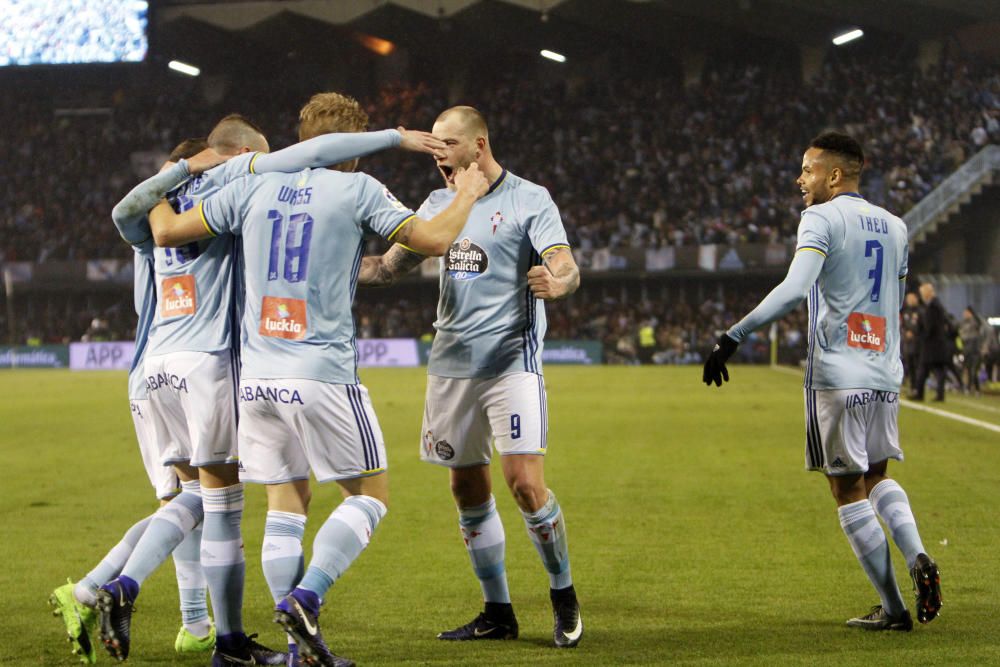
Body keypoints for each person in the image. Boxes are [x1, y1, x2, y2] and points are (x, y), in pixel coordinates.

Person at [147, 91, 490, 667]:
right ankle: (306, 598)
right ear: (352, 149)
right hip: (322, 373)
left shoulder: (250, 187)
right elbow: (432, 241)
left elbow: (170, 230)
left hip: (256, 379)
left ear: (302, 137)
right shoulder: (356, 189)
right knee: (370, 496)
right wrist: (467, 196)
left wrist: (162, 180)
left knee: (287, 504)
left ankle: (296, 652)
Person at [362, 106, 584, 648]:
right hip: (451, 366)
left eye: (449, 144)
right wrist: (324, 271)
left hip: (511, 362)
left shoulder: (530, 198)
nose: (439, 154)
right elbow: (389, 268)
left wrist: (558, 283)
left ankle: (564, 596)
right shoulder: (439, 204)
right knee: (466, 488)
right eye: (434, 145)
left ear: (479, 145)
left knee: (526, 484)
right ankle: (498, 612)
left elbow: (565, 263)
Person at [703, 132, 942, 631]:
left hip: (837, 374)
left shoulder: (821, 218)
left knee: (846, 490)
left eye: (808, 170)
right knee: (878, 475)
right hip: (883, 372)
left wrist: (733, 336)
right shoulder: (897, 227)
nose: (800, 179)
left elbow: (795, 289)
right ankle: (919, 554)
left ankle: (895, 610)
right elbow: (895, 304)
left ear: (835, 175)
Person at [48, 139, 218, 665]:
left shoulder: (177, 224)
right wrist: (184, 168)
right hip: (161, 370)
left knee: (186, 506)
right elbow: (126, 207)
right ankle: (96, 588)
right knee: (198, 500)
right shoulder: (156, 223)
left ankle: (194, 625)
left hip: (158, 373)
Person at [913, 282, 951, 401]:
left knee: (924, 368)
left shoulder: (933, 306)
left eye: (922, 293)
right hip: (937, 343)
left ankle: (919, 394)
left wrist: (922, 336)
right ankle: (939, 395)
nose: (922, 296)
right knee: (938, 370)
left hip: (932, 344)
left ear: (927, 293)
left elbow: (930, 326)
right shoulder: (937, 305)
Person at [958, 306, 985, 394]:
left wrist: (974, 313)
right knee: (968, 370)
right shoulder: (963, 323)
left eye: (967, 312)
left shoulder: (975, 321)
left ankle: (977, 389)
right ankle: (969, 388)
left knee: (974, 371)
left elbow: (980, 323)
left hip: (975, 350)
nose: (965, 314)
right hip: (966, 350)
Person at [900, 292, 922, 395]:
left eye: (912, 299)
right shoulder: (905, 312)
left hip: (917, 343)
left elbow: (922, 326)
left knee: (918, 366)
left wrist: (913, 332)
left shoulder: (920, 311)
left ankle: (918, 388)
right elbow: (902, 326)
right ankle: (913, 387)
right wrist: (906, 333)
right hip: (907, 344)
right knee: (910, 366)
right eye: (909, 299)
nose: (910, 301)